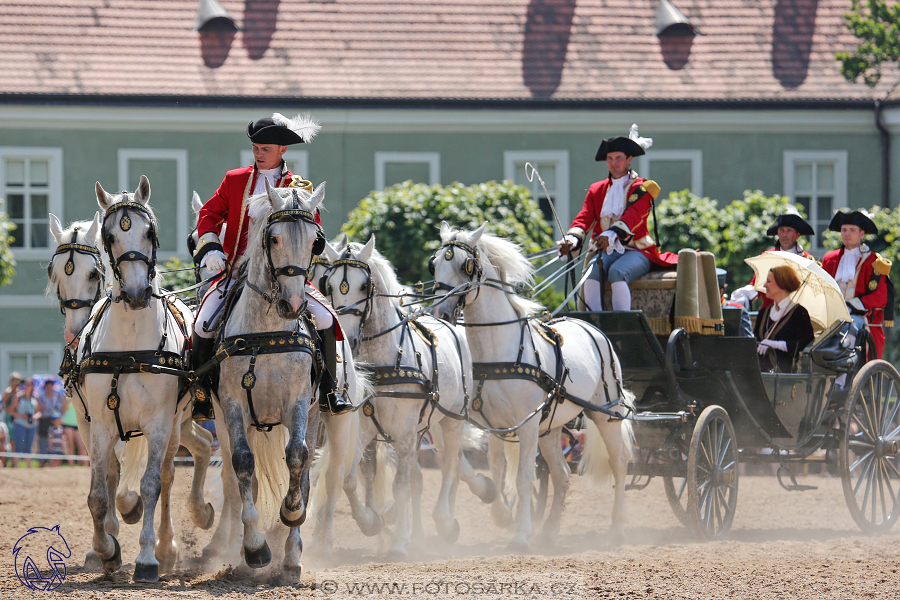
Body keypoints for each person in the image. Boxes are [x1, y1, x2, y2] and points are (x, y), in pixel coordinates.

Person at [192, 112, 352, 419]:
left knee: (328, 321)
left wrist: (311, 243)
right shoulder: (235, 179)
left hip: (286, 275)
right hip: (237, 272)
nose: (259, 154)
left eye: (266, 149)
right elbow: (208, 215)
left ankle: (331, 390)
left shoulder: (298, 187)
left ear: (283, 151)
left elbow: (314, 231)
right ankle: (200, 393)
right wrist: (211, 247)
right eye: (255, 148)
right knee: (201, 324)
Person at [558, 124, 677, 311]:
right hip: (606, 251)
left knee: (617, 272)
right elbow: (585, 217)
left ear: (629, 160)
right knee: (590, 273)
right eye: (610, 159)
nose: (614, 163)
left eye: (619, 158)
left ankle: (621, 324)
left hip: (637, 250)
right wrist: (573, 238)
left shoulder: (642, 188)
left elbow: (633, 216)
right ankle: (594, 325)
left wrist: (612, 234)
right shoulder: (596, 189)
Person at [821, 210, 892, 359]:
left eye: (852, 230)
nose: (847, 234)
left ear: (861, 234)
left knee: (851, 325)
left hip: (861, 317)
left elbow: (880, 297)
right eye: (844, 230)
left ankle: (846, 362)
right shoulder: (829, 259)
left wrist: (852, 306)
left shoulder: (873, 261)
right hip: (832, 315)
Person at [730, 212, 815, 311]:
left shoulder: (807, 260)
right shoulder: (767, 257)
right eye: (781, 230)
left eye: (789, 230)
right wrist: (745, 295)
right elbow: (757, 285)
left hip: (797, 312)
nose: (784, 234)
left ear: (798, 235)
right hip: (771, 313)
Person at [754, 266, 815, 372]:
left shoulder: (799, 313)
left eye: (769, 281)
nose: (764, 285)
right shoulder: (764, 312)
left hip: (785, 377)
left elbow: (805, 344)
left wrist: (775, 344)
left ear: (781, 284)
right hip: (760, 374)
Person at [9, 377, 39, 468]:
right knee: (19, 445)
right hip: (20, 424)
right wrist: (22, 416)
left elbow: (39, 411)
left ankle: (28, 468)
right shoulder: (19, 396)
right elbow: (11, 411)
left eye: (29, 384)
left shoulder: (35, 397)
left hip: (32, 425)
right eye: (26, 384)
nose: (27, 386)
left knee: (29, 446)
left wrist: (34, 416)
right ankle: (16, 467)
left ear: (32, 386)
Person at [36, 379, 63, 466]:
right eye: (48, 385)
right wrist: (41, 407)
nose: (49, 387)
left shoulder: (57, 396)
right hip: (44, 421)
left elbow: (60, 409)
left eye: (51, 385)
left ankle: (53, 463)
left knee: (55, 442)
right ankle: (42, 462)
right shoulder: (41, 397)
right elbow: (38, 410)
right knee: (43, 442)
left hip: (53, 420)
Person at [61, 392, 87, 466]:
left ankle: (86, 465)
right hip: (68, 422)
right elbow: (64, 410)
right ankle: (71, 466)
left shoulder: (81, 396)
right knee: (70, 446)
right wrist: (69, 399)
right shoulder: (66, 397)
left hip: (78, 423)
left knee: (82, 446)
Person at [1, 371, 22, 439]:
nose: (16, 382)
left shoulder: (20, 391)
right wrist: (11, 408)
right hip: (9, 417)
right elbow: (3, 406)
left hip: (17, 416)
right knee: (10, 436)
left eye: (17, 380)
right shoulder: (8, 392)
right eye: (14, 380)